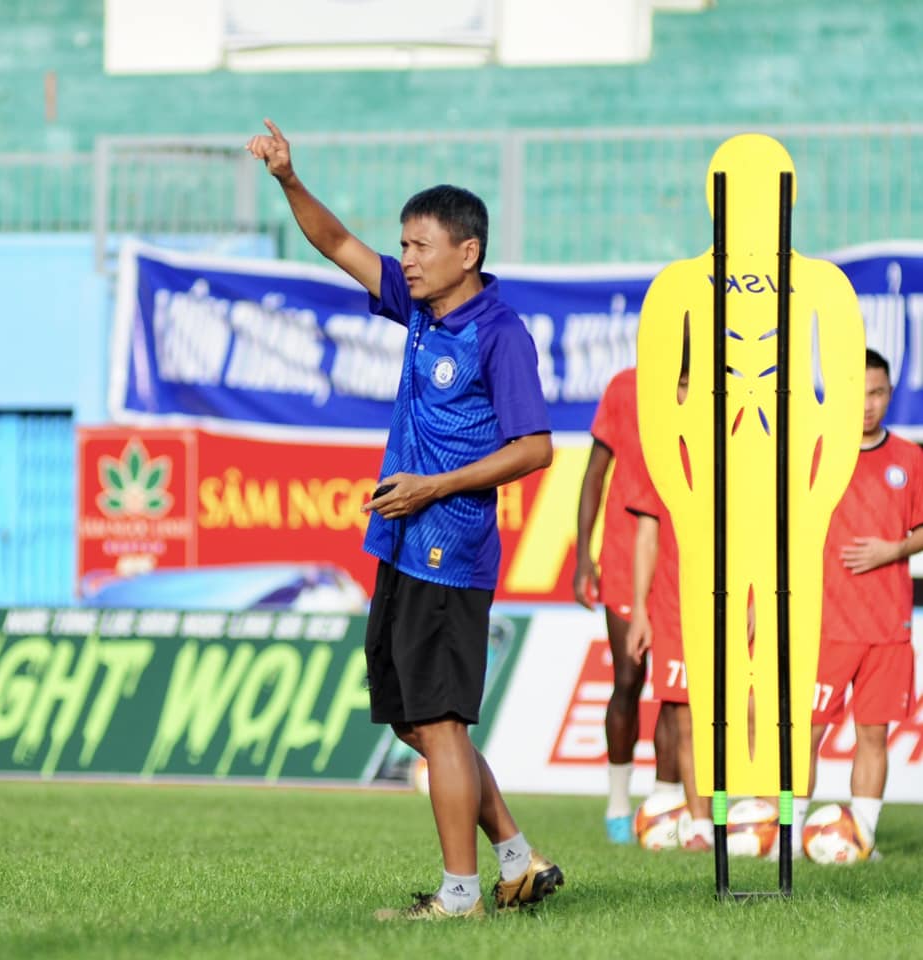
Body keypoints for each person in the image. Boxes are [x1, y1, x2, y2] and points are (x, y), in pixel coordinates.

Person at [246, 119, 563, 920]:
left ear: (469, 253)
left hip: (450, 553)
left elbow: (535, 449)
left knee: (438, 721)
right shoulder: (420, 309)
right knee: (420, 728)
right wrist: (288, 178)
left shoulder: (501, 335)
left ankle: (461, 895)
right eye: (405, 246)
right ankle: (518, 860)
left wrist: (433, 487)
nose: (406, 260)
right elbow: (337, 243)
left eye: (420, 246)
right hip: (399, 544)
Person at [803, 348, 923, 855]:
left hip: (886, 625)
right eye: (860, 393)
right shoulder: (817, 453)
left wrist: (895, 548)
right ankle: (781, 836)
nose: (868, 404)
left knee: (873, 735)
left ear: (890, 394)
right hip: (824, 623)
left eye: (877, 393)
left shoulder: (911, 458)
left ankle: (861, 837)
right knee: (802, 734)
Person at [574, 367, 680, 843]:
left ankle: (665, 803)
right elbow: (595, 472)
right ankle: (618, 804)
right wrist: (583, 557)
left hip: (684, 558)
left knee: (679, 693)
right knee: (629, 678)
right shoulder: (625, 387)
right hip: (623, 552)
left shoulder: (724, 387)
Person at [625, 370, 714, 851]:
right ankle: (701, 825)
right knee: (683, 714)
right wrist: (640, 609)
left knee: (750, 709)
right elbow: (647, 535)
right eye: (680, 383)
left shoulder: (742, 442)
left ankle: (755, 812)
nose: (688, 393)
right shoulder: (659, 451)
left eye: (694, 382)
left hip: (739, 597)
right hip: (678, 602)